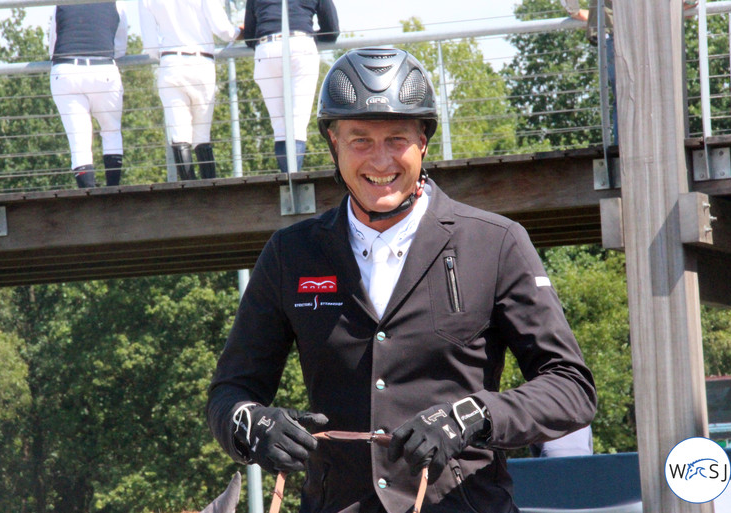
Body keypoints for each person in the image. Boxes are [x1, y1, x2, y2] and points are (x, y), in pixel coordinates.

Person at [207, 47, 597, 513]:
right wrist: (252, 425)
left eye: (396, 139)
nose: (380, 161)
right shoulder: (291, 254)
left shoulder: (496, 242)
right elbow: (230, 392)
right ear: (333, 143)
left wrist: (473, 416)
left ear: (424, 142)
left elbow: (570, 386)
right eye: (360, 141)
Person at [138, 0, 241, 181]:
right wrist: (239, 31)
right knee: (202, 135)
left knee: (179, 134)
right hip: (202, 63)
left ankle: (189, 188)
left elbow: (151, 46)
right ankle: (210, 189)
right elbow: (223, 30)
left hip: (170, 64)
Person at [243, 0, 339, 174]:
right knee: (297, 124)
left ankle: (286, 178)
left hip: (267, 47)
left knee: (280, 126)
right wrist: (310, 35)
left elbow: (249, 36)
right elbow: (332, 29)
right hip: (301, 45)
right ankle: (293, 179)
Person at [49, 2, 128, 189]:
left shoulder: (60, 4)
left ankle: (89, 194)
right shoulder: (117, 4)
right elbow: (120, 47)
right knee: (111, 131)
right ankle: (113, 189)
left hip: (66, 69)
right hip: (104, 69)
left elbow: (52, 47)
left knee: (80, 142)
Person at [561, 0, 617, 145]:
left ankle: (623, 153)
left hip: (611, 31)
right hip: (648, 30)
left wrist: (578, 12)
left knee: (625, 97)